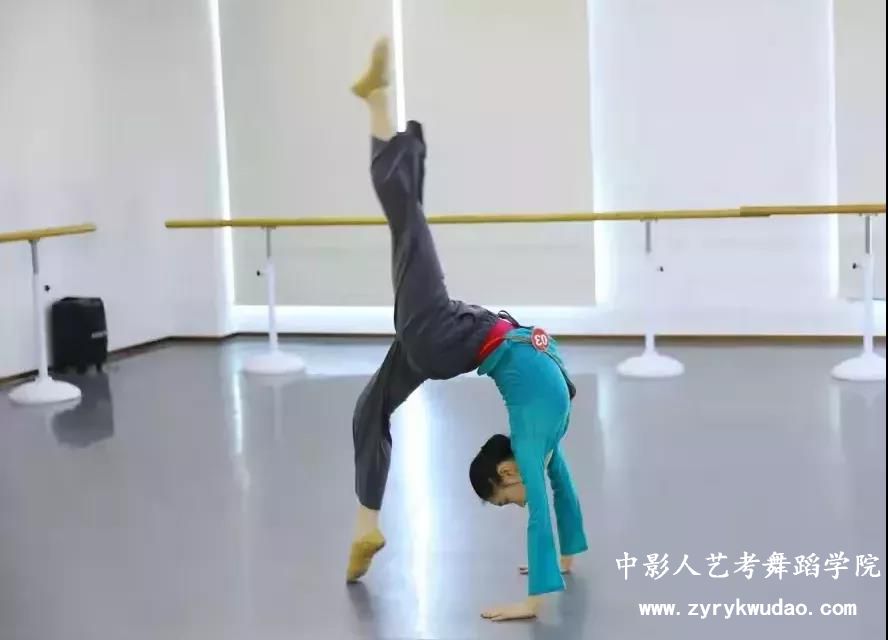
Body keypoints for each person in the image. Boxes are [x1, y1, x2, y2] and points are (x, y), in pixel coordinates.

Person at [346, 37, 588, 622]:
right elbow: (556, 499)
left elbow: (545, 503)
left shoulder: (544, 427)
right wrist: (554, 575)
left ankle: (378, 105)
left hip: (446, 335)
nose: (516, 502)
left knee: (408, 220)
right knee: (370, 407)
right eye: (507, 498)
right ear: (507, 471)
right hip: (445, 337)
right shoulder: (538, 441)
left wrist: (539, 593)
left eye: (504, 500)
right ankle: (366, 524)